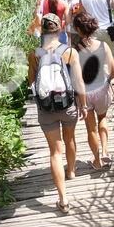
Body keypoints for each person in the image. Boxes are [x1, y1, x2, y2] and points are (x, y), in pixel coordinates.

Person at [27, 13, 88, 214]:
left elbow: (31, 83)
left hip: (46, 109)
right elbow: (79, 82)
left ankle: (63, 199)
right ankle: (70, 171)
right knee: (69, 139)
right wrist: (84, 105)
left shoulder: (34, 54)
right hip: (68, 106)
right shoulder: (69, 52)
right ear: (60, 29)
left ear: (42, 31)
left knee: (55, 151)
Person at [73, 12, 114, 169]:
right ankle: (106, 151)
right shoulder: (103, 45)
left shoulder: (74, 50)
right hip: (101, 88)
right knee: (103, 119)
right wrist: (107, 80)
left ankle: (97, 161)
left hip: (85, 92)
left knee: (90, 129)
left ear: (78, 30)